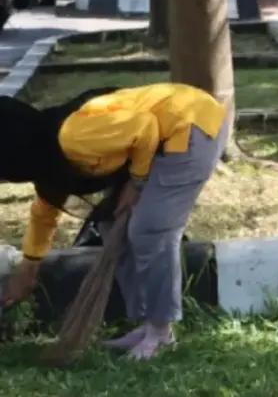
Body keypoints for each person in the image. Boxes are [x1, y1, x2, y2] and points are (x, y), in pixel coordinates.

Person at [0, 84, 228, 360]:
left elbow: (146, 126)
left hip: (190, 125)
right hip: (160, 140)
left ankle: (161, 331)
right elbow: (44, 213)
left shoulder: (73, 137)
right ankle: (146, 323)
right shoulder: (50, 157)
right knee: (111, 226)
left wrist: (136, 182)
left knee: (150, 230)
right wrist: (28, 270)